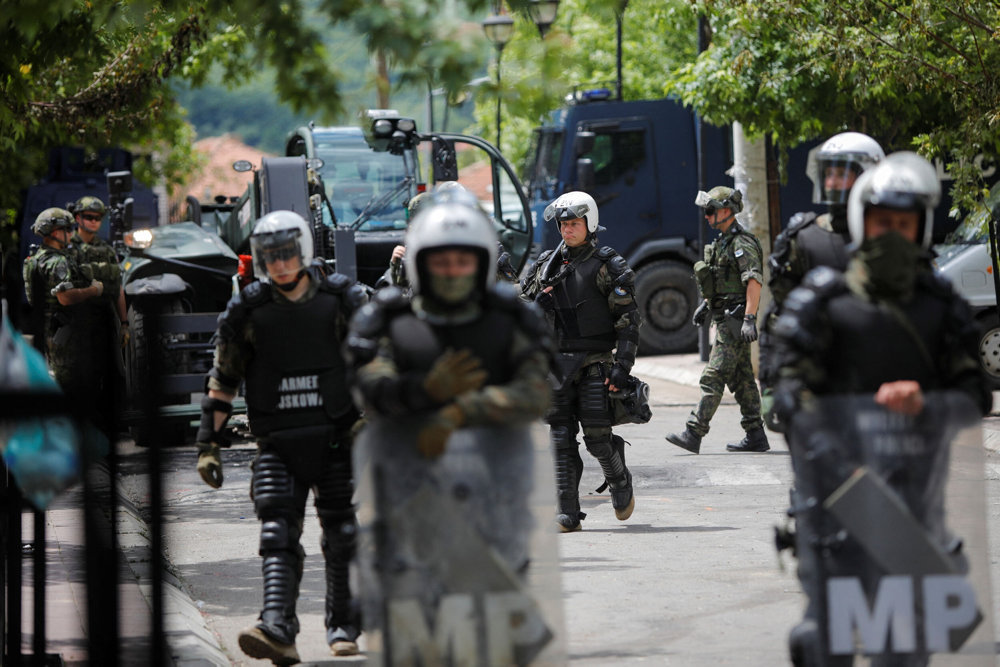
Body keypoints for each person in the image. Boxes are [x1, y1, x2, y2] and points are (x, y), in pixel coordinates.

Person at [770, 152, 992, 665]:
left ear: (922, 228)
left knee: (905, 645)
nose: (892, 233)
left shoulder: (942, 307)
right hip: (834, 496)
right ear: (859, 221)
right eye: (882, 222)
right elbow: (788, 391)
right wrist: (836, 456)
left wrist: (928, 401)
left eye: (903, 224)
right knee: (827, 640)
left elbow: (974, 393)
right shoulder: (822, 302)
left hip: (914, 500)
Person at [345, 199, 554, 657]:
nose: (453, 270)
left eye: (463, 259)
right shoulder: (391, 321)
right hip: (412, 489)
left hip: (496, 489)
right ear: (420, 263)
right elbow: (367, 384)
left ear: (481, 261)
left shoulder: (509, 320)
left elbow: (537, 391)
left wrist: (463, 411)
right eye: (441, 260)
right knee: (420, 627)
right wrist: (424, 390)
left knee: (501, 635)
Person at [194, 210, 368, 664]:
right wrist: (207, 445)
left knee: (343, 533)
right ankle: (277, 627)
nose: (280, 264)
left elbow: (376, 363)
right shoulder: (248, 310)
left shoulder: (342, 299)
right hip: (278, 443)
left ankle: (344, 626)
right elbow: (223, 378)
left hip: (338, 438)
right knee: (276, 532)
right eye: (270, 257)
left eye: (287, 254)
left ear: (304, 252)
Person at [520, 190, 640, 532]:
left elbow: (629, 320)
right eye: (563, 224)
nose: (567, 230)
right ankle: (568, 514)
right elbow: (518, 312)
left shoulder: (608, 265)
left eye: (574, 223)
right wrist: (534, 308)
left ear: (590, 223)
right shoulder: (545, 265)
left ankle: (619, 481)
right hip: (556, 365)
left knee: (598, 437)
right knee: (559, 437)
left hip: (595, 360)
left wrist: (622, 366)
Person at [758, 132, 884, 429]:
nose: (831, 182)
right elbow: (780, 315)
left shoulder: (891, 237)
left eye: (842, 174)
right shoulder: (804, 237)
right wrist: (771, 384)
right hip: (821, 386)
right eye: (829, 173)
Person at [664, 186, 768, 454]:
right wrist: (706, 306)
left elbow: (753, 281)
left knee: (713, 375)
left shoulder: (741, 243)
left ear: (726, 211)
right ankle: (755, 433)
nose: (707, 217)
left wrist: (749, 318)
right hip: (724, 317)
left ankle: (694, 432)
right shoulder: (723, 242)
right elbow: (721, 283)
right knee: (742, 379)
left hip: (734, 321)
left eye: (710, 211)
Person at [22, 208, 107, 412]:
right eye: (67, 229)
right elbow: (65, 297)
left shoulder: (36, 258)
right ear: (54, 232)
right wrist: (93, 290)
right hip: (65, 331)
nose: (71, 233)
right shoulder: (57, 262)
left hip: (51, 328)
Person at [69, 196, 129, 345]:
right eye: (89, 217)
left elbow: (117, 288)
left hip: (104, 323)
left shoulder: (107, 250)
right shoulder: (66, 248)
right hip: (73, 323)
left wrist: (124, 324)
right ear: (78, 218)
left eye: (98, 218)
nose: (94, 221)